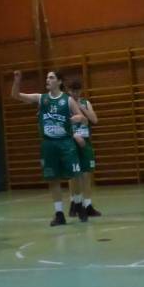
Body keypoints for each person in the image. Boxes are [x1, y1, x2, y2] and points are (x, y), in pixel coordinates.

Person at [11, 69, 85, 226]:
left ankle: (78, 203)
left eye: (51, 77)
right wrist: (17, 82)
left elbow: (81, 117)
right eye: (47, 77)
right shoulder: (41, 98)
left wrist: (74, 119)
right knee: (53, 178)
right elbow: (16, 95)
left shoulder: (67, 100)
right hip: (49, 144)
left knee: (75, 175)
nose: (47, 80)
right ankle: (59, 214)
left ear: (59, 81)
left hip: (66, 142)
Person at [67, 79, 102, 221]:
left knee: (86, 173)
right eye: (72, 91)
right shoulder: (66, 104)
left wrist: (83, 109)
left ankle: (87, 204)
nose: (75, 94)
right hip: (71, 140)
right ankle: (74, 202)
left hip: (85, 140)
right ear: (68, 91)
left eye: (77, 91)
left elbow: (95, 120)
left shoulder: (85, 103)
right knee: (74, 174)